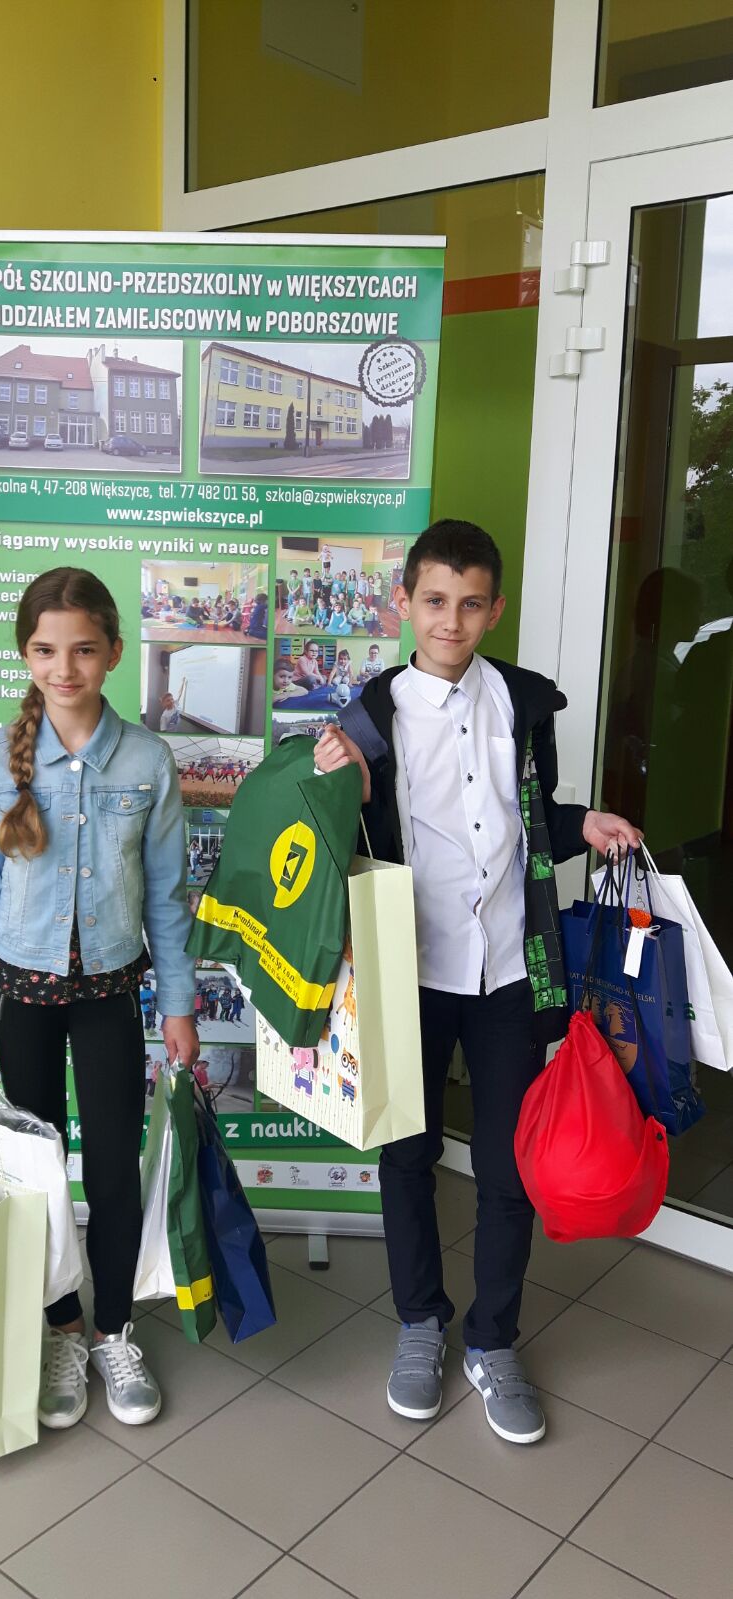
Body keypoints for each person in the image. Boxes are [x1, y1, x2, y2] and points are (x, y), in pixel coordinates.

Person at [314, 521, 641, 1447]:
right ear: (402, 604)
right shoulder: (366, 717)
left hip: (507, 970)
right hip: (408, 972)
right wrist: (336, 783)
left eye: (468, 603)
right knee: (406, 1155)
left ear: (493, 608)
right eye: (432, 601)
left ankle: (493, 1340)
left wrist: (585, 822)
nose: (449, 621)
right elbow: (338, 835)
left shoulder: (524, 703)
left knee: (507, 1167)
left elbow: (526, 818)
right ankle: (420, 1321)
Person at [0, 566, 198, 1434]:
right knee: (35, 1173)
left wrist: (178, 1005)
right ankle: (60, 1330)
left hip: (109, 998)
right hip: (18, 998)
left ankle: (111, 1330)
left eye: (84, 650)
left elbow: (167, 897)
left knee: (115, 1169)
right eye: (46, 650)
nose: (65, 669)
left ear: (114, 653)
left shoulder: (147, 761)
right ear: (26, 655)